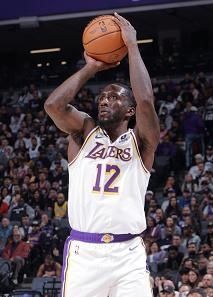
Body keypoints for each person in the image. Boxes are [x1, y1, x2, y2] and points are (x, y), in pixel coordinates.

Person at [44, 12, 159, 297]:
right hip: (86, 254)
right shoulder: (84, 132)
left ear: (129, 111)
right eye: (102, 98)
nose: (105, 100)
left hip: (128, 253)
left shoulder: (142, 142)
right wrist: (91, 67)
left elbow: (145, 99)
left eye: (114, 97)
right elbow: (53, 106)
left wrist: (132, 46)